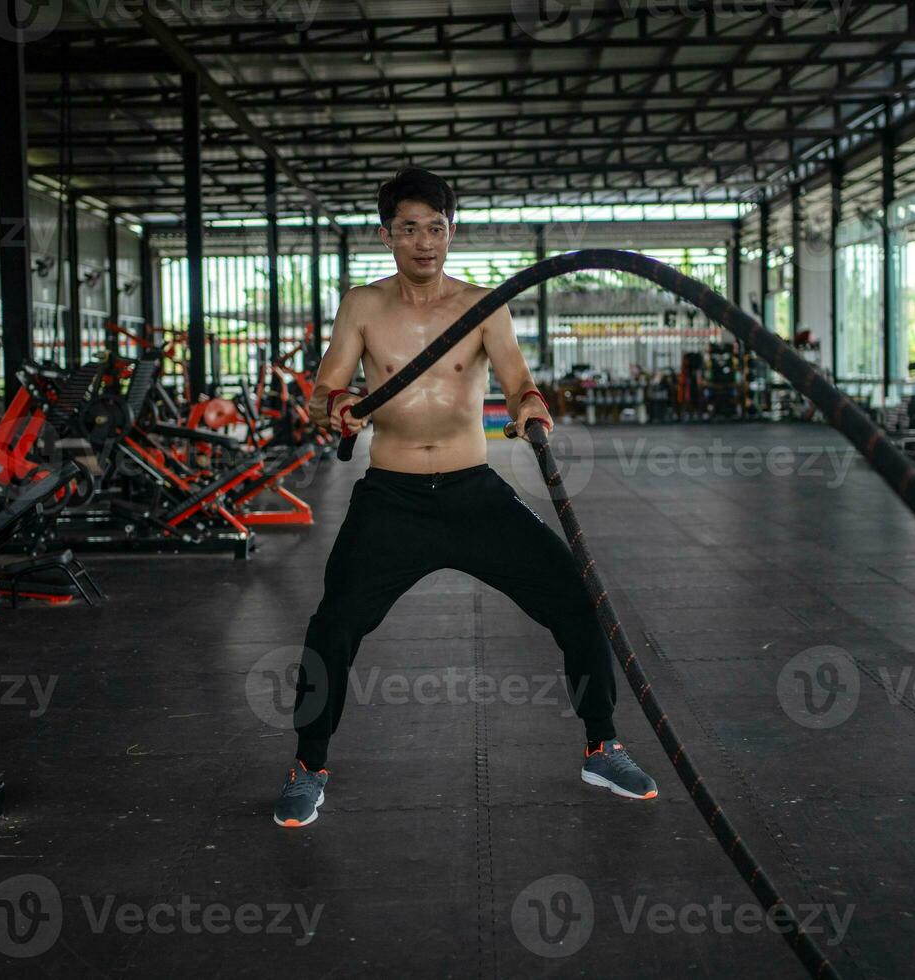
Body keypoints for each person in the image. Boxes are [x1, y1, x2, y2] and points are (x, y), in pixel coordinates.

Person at [274, 167, 657, 828]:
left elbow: (518, 379)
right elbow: (323, 390)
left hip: (475, 493)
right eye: (409, 229)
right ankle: (308, 766)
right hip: (391, 500)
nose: (424, 243)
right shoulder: (362, 305)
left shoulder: (484, 304)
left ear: (452, 231)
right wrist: (335, 408)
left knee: (576, 597)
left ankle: (602, 745)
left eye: (437, 228)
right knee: (332, 626)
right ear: (386, 233)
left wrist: (531, 408)